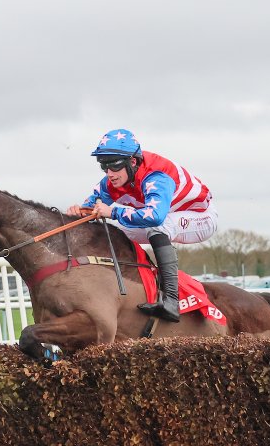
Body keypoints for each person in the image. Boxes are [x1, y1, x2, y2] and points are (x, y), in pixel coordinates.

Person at [66, 128, 216, 322]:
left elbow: (154, 217)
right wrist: (78, 213)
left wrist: (113, 212)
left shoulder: (157, 176)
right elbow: (91, 208)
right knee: (112, 231)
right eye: (104, 166)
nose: (109, 174)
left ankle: (171, 301)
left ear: (133, 162)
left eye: (114, 166)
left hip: (200, 218)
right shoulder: (112, 180)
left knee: (158, 227)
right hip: (166, 217)